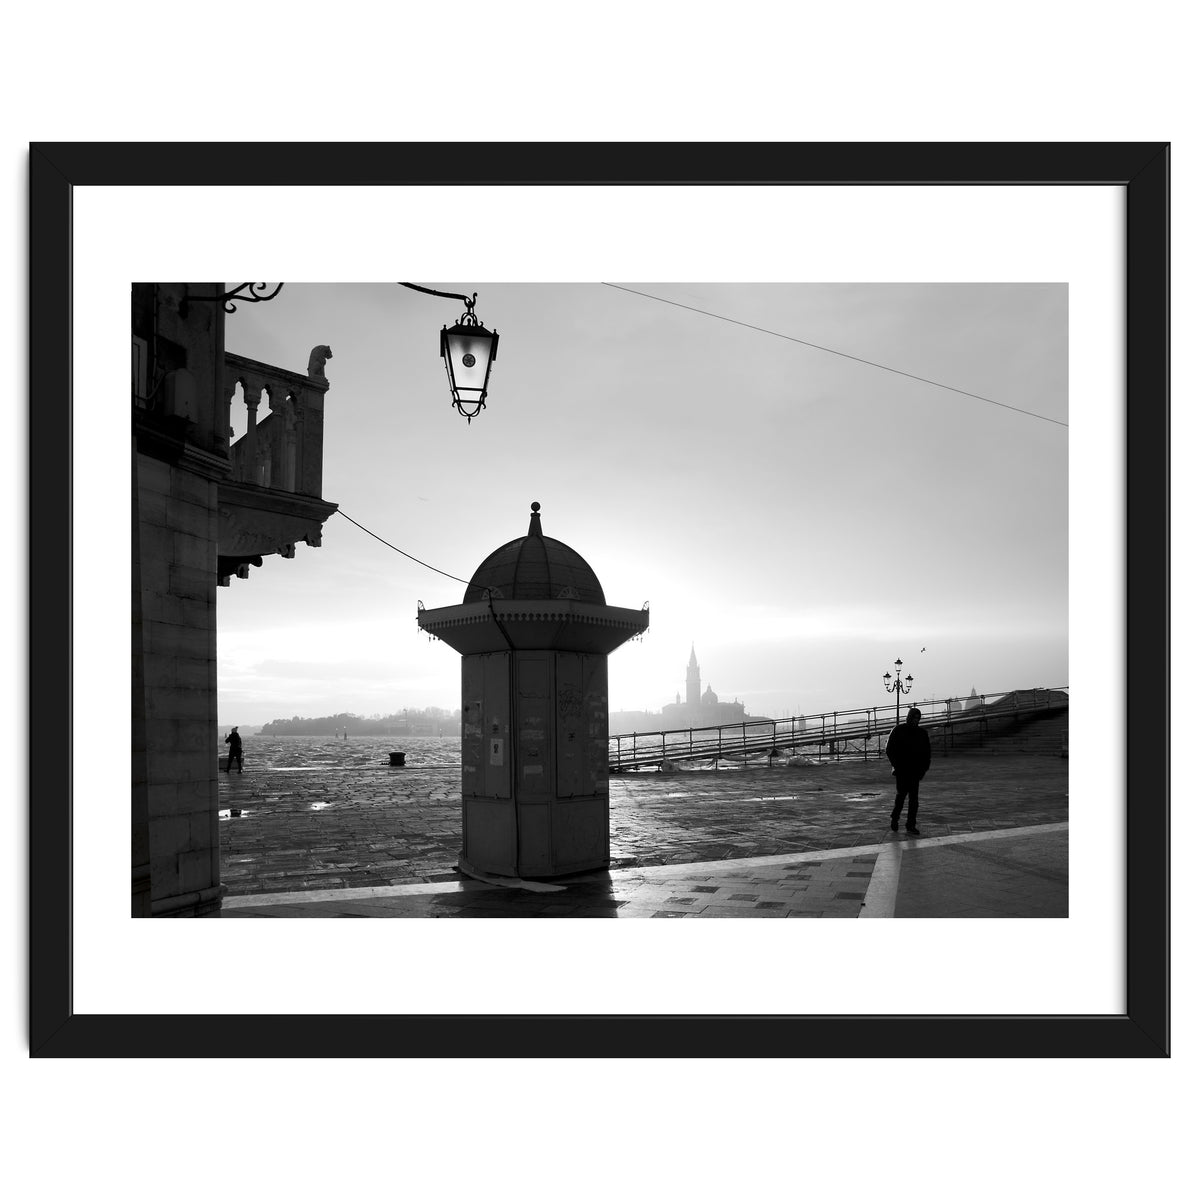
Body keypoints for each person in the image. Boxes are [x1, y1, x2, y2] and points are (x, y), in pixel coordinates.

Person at [885, 706, 930, 835]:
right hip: (902, 770)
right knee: (901, 796)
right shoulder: (898, 730)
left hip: (916, 771)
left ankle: (911, 824)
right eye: (914, 718)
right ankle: (895, 818)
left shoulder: (922, 733)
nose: (916, 720)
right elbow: (889, 750)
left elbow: (927, 753)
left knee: (914, 800)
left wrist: (924, 769)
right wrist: (897, 766)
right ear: (909, 717)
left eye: (918, 718)